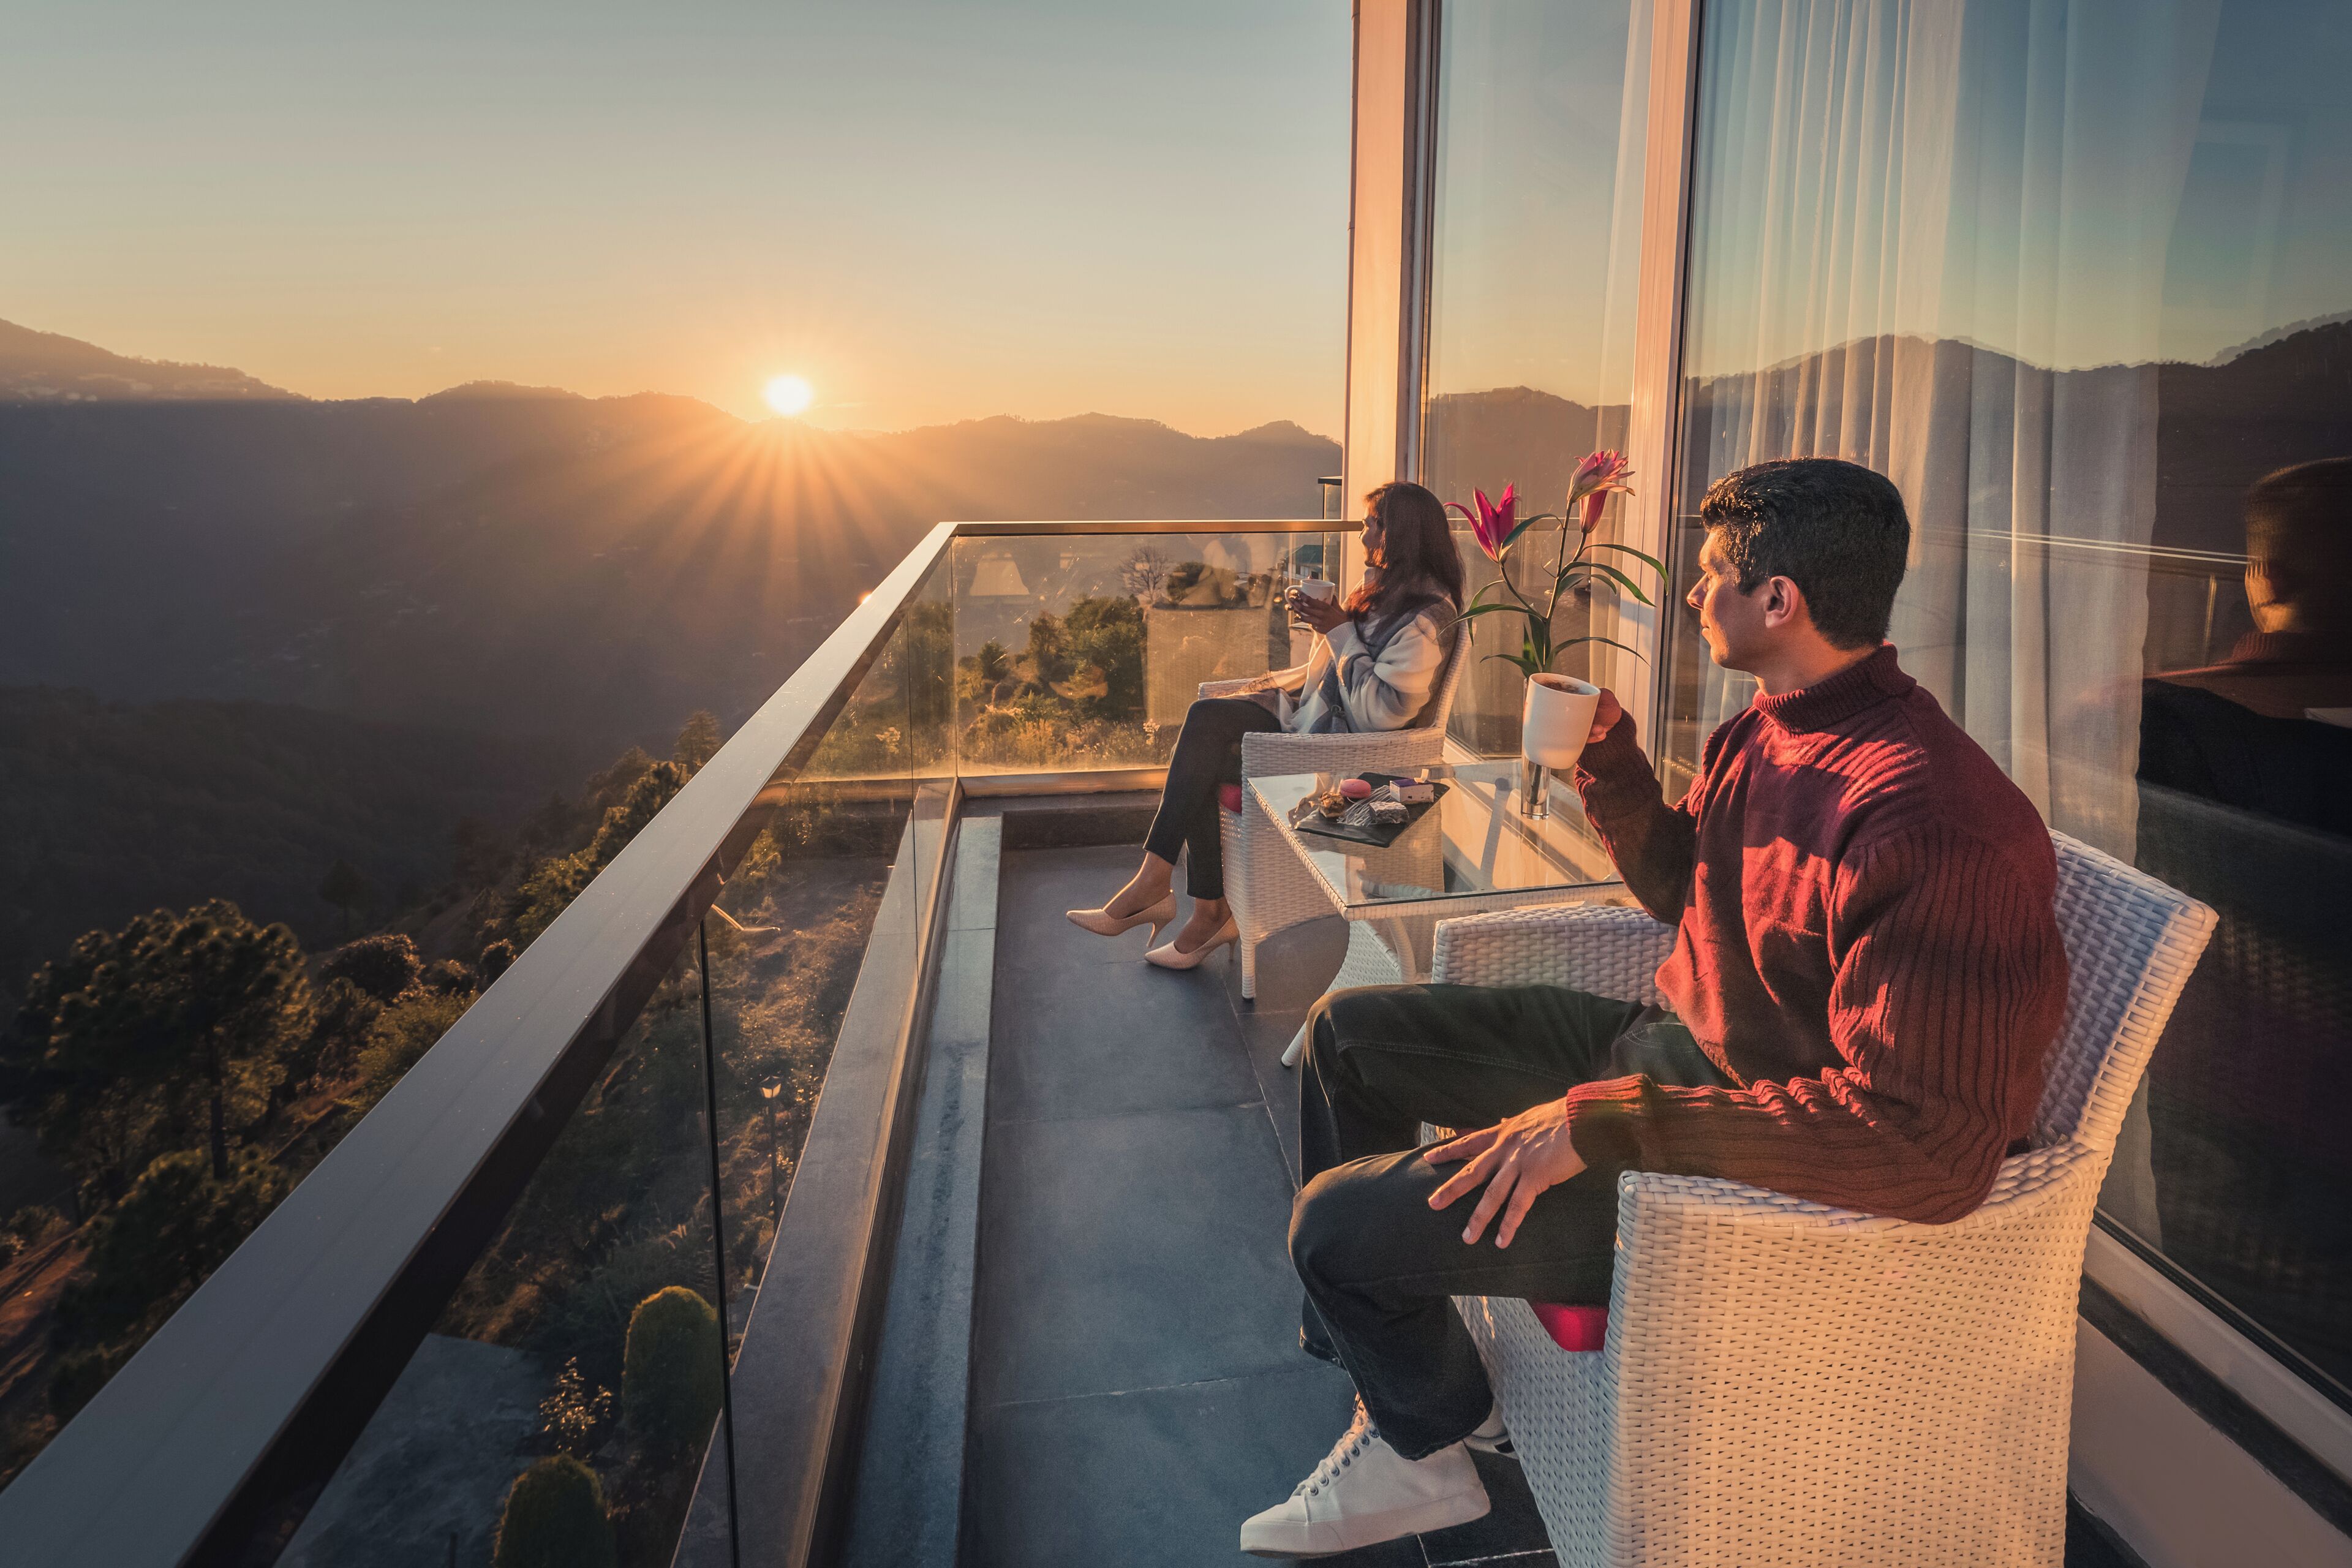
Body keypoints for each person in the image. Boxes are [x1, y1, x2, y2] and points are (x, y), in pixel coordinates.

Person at [1239, 457, 2070, 1558]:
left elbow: (1928, 1146)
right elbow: (1690, 895)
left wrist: (1610, 1126)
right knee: (1351, 1037)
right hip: (1668, 1057)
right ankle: (1406, 1399)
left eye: (1714, 571)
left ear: (1781, 600)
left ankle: (1421, 1443)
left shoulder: (1929, 819)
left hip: (1733, 1170)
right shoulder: (1765, 728)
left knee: (1334, 1229)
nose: (1692, 593)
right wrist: (1616, 767)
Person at [1068, 480, 1464, 968]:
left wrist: (1337, 628)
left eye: (1372, 526)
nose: (1363, 538)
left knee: (1205, 746)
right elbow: (1332, 672)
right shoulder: (1384, 594)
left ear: (1400, 534)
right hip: (1311, 728)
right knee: (1205, 726)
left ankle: (1179, 898)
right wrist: (1316, 637)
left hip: (1346, 762)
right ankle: (1190, 903)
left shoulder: (1425, 619)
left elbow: (1379, 714)